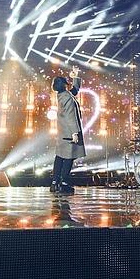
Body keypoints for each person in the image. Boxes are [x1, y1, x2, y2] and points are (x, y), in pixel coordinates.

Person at [51, 66, 86, 195]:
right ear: (64, 85)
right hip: (68, 131)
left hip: (63, 131)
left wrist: (75, 76)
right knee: (68, 157)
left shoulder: (63, 95)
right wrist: (74, 132)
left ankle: (55, 182)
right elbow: (71, 116)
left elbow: (75, 90)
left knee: (60, 156)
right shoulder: (67, 97)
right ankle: (64, 182)